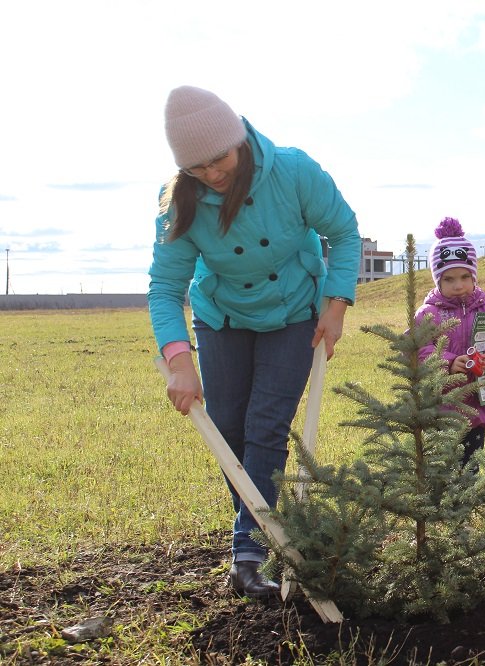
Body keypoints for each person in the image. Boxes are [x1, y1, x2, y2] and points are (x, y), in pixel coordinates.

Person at [148, 85, 361, 598]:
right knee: (229, 431)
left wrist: (335, 306)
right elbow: (165, 287)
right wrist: (179, 361)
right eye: (197, 168)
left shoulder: (293, 171)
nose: (213, 174)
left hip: (294, 313)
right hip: (222, 318)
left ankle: (248, 553)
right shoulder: (178, 202)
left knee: (265, 427)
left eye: (219, 159)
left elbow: (345, 231)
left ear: (238, 138)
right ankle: (262, 534)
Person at [415, 217, 485, 484]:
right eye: (449, 278)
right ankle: (443, 507)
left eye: (465, 276)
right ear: (437, 280)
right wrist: (448, 362)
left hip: (476, 407)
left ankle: (464, 511)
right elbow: (417, 349)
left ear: (474, 276)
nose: (458, 285)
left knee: (469, 465)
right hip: (441, 407)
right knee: (443, 467)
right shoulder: (428, 314)